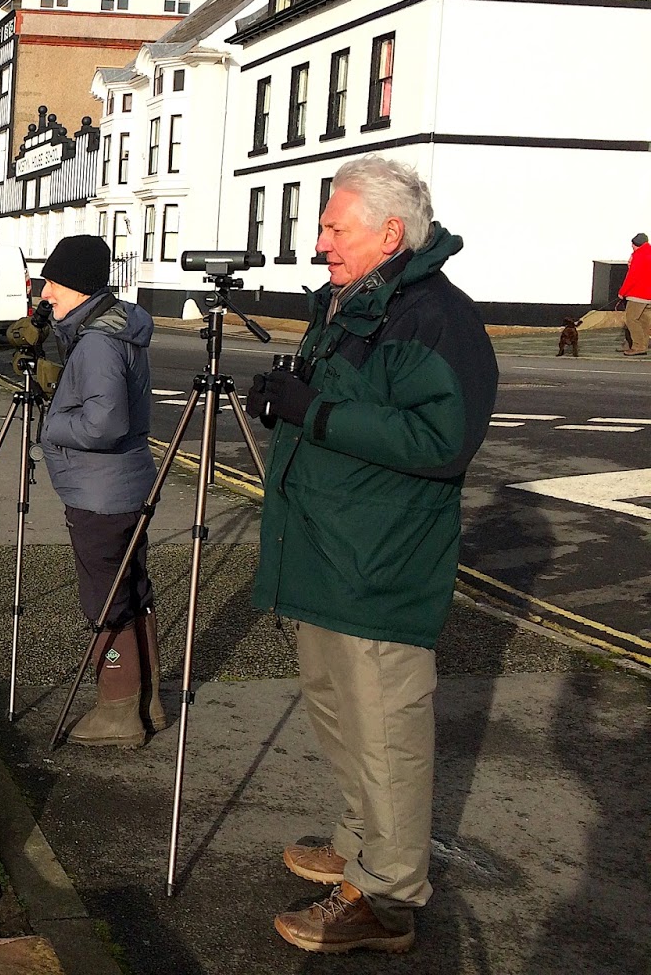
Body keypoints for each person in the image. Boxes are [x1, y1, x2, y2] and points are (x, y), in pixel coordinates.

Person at [246, 156, 497, 955]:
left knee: (385, 731)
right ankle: (361, 848)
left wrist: (313, 412)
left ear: (391, 234)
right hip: (329, 555)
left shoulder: (433, 317)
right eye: (322, 226)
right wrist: (291, 403)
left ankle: (385, 900)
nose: (319, 241)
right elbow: (351, 411)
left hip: (378, 564)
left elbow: (441, 439)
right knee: (343, 719)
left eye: (333, 227)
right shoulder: (355, 306)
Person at [36, 235, 164, 747]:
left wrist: (52, 422)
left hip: (100, 493)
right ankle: (147, 697)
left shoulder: (96, 343)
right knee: (132, 587)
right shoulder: (117, 331)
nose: (46, 293)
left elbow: (104, 423)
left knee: (105, 596)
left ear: (76, 286)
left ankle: (117, 711)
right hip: (126, 485)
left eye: (52, 283)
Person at [619, 231, 650, 356]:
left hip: (638, 294)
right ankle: (643, 345)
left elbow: (632, 277)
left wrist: (622, 292)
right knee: (645, 321)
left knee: (632, 319)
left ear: (636, 244)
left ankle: (638, 346)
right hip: (649, 295)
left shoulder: (639, 256)